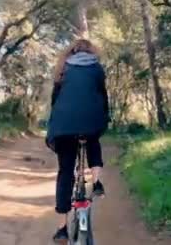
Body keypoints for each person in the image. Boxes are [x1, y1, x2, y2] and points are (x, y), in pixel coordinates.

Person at [46, 39, 110, 243]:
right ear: (91, 51)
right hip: (91, 120)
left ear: (71, 51)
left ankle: (62, 228)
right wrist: (103, 119)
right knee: (92, 137)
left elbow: (55, 100)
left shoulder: (63, 68)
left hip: (63, 125)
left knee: (66, 171)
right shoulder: (97, 68)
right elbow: (102, 97)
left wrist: (56, 122)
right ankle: (97, 182)